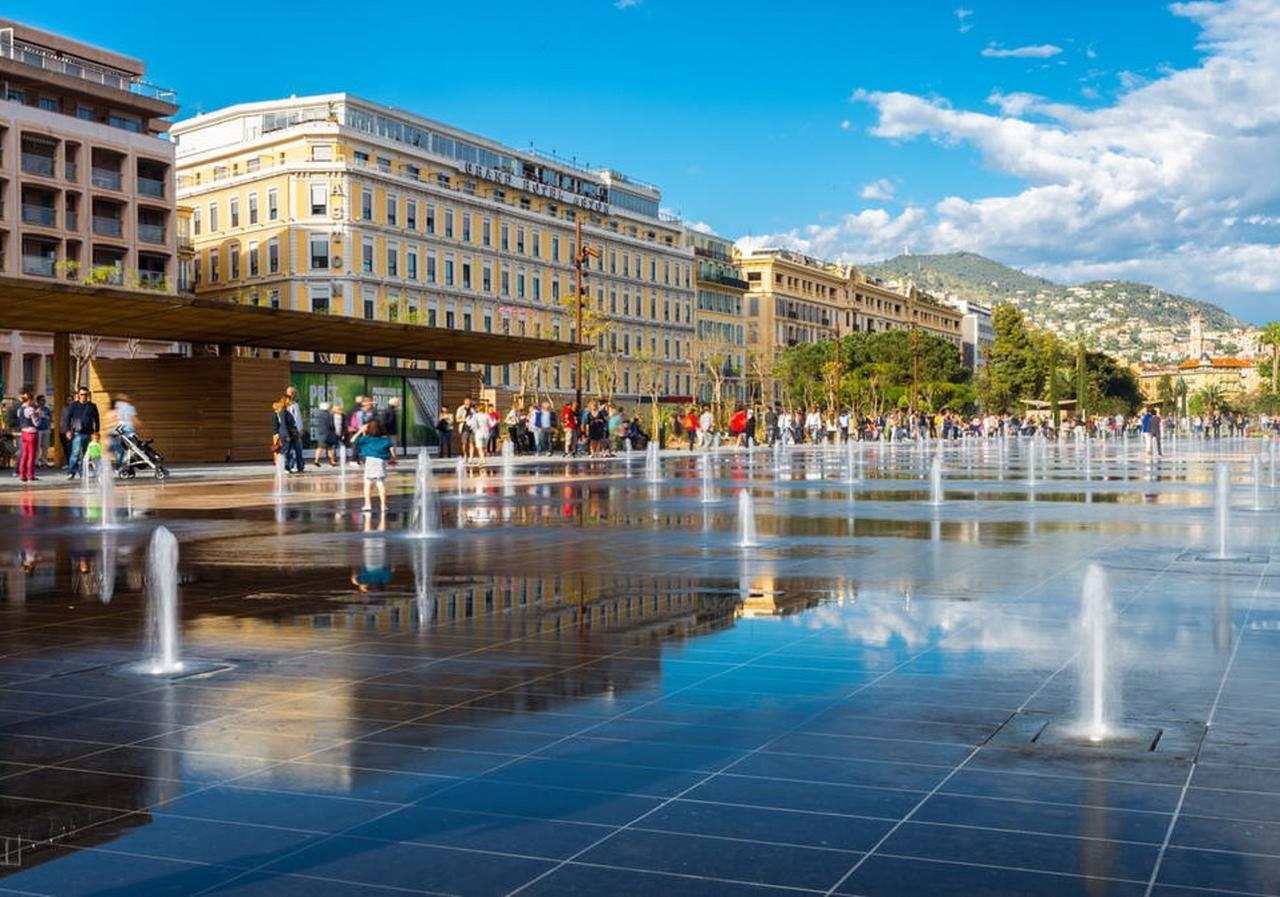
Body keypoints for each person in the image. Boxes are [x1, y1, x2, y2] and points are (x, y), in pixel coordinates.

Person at [354, 419, 396, 514]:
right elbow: (392, 449)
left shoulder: (366, 439)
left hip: (370, 461)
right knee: (380, 483)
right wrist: (394, 459)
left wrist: (360, 431)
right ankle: (383, 505)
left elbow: (353, 441)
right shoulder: (385, 440)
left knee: (368, 483)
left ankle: (368, 504)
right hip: (381, 462)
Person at [64, 387, 100, 479]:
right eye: (82, 394)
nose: (84, 396)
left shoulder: (92, 406)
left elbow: (96, 419)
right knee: (75, 453)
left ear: (88, 395)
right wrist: (68, 430)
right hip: (77, 433)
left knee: (86, 454)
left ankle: (82, 472)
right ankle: (71, 472)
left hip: (89, 433)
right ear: (78, 395)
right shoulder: (73, 405)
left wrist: (97, 432)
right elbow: (67, 418)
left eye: (86, 394)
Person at [16, 393, 39, 483]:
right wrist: (38, 415)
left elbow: (21, 419)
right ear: (30, 400)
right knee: (31, 455)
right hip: (31, 433)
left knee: (24, 454)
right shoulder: (30, 409)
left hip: (23, 432)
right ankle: (30, 474)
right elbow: (36, 423)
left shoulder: (19, 409)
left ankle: (22, 474)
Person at [283, 386, 305, 474]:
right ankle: (288, 466)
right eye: (291, 393)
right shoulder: (285, 405)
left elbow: (298, 418)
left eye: (294, 393)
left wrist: (301, 428)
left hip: (297, 430)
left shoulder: (296, 404)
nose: (293, 395)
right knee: (288, 450)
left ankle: (300, 466)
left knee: (299, 449)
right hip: (289, 431)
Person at [467, 401, 493, 466]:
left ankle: (483, 459)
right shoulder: (487, 415)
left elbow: (470, 423)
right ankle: (481, 460)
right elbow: (492, 424)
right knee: (484, 447)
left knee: (479, 447)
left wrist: (467, 419)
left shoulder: (475, 415)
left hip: (479, 432)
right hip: (486, 432)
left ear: (478, 409)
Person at [313, 401, 338, 467]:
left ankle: (316, 460)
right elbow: (331, 424)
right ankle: (332, 461)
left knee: (320, 447)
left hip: (321, 433)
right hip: (328, 433)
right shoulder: (330, 415)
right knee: (330, 448)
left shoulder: (319, 415)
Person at [33, 395, 51, 468]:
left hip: (46, 429)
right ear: (38, 401)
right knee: (37, 447)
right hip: (38, 430)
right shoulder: (35, 409)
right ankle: (36, 462)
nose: (43, 402)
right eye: (41, 400)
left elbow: (50, 418)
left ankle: (44, 462)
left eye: (44, 400)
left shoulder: (47, 409)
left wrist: (46, 417)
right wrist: (37, 414)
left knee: (45, 447)